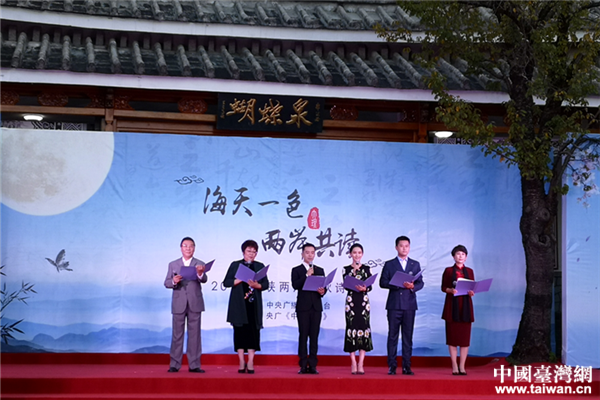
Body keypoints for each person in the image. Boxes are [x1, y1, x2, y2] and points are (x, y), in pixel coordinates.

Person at [379, 235, 424, 376]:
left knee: (407, 337)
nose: (404, 248)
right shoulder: (389, 264)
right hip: (394, 305)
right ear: (396, 247)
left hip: (409, 305)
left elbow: (420, 283)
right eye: (401, 246)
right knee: (392, 336)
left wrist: (412, 286)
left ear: (409, 248)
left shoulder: (415, 264)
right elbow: (382, 282)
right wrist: (397, 283)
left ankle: (407, 366)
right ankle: (392, 366)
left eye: (407, 246)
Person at [223, 240, 269, 374]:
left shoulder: (259, 266)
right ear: (243, 252)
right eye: (249, 251)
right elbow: (226, 282)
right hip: (239, 304)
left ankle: (251, 361)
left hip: (254, 304)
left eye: (254, 252)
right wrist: (238, 280)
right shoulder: (235, 265)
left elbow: (266, 284)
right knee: (240, 332)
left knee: (253, 333)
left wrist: (257, 285)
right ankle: (241, 361)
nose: (251, 254)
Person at [163, 237, 208, 373]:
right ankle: (174, 364)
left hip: (195, 303)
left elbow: (204, 279)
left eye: (191, 246)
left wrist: (200, 274)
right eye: (185, 246)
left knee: (195, 335)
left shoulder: (200, 263)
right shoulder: (173, 264)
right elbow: (167, 282)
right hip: (179, 303)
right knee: (177, 334)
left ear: (194, 248)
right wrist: (174, 281)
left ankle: (194, 365)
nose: (188, 248)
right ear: (181, 248)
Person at [291, 243, 325, 374]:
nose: (310, 255)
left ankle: (313, 365)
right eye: (307, 252)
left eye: (312, 252)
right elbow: (295, 285)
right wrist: (306, 275)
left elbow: (323, 287)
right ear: (302, 254)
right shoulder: (297, 270)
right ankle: (303, 365)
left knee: (314, 336)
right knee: (303, 335)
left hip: (316, 307)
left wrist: (322, 291)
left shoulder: (320, 270)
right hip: (303, 307)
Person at [441, 244, 475, 375]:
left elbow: (472, 287)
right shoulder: (449, 271)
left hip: (465, 307)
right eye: (458, 254)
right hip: (452, 307)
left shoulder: (470, 271)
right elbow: (443, 287)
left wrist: (472, 292)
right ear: (453, 256)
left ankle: (462, 366)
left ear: (466, 257)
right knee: (453, 338)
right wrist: (450, 290)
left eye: (463, 254)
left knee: (464, 339)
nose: (460, 256)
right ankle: (454, 365)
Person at [342, 243, 373, 375]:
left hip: (363, 302)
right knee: (351, 328)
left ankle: (361, 362)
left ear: (362, 254)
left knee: (363, 328)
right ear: (350, 254)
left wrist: (365, 288)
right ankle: (353, 362)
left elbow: (370, 285)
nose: (357, 255)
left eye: (359, 253)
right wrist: (354, 272)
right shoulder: (346, 269)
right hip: (351, 302)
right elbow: (346, 284)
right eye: (354, 252)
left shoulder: (366, 268)